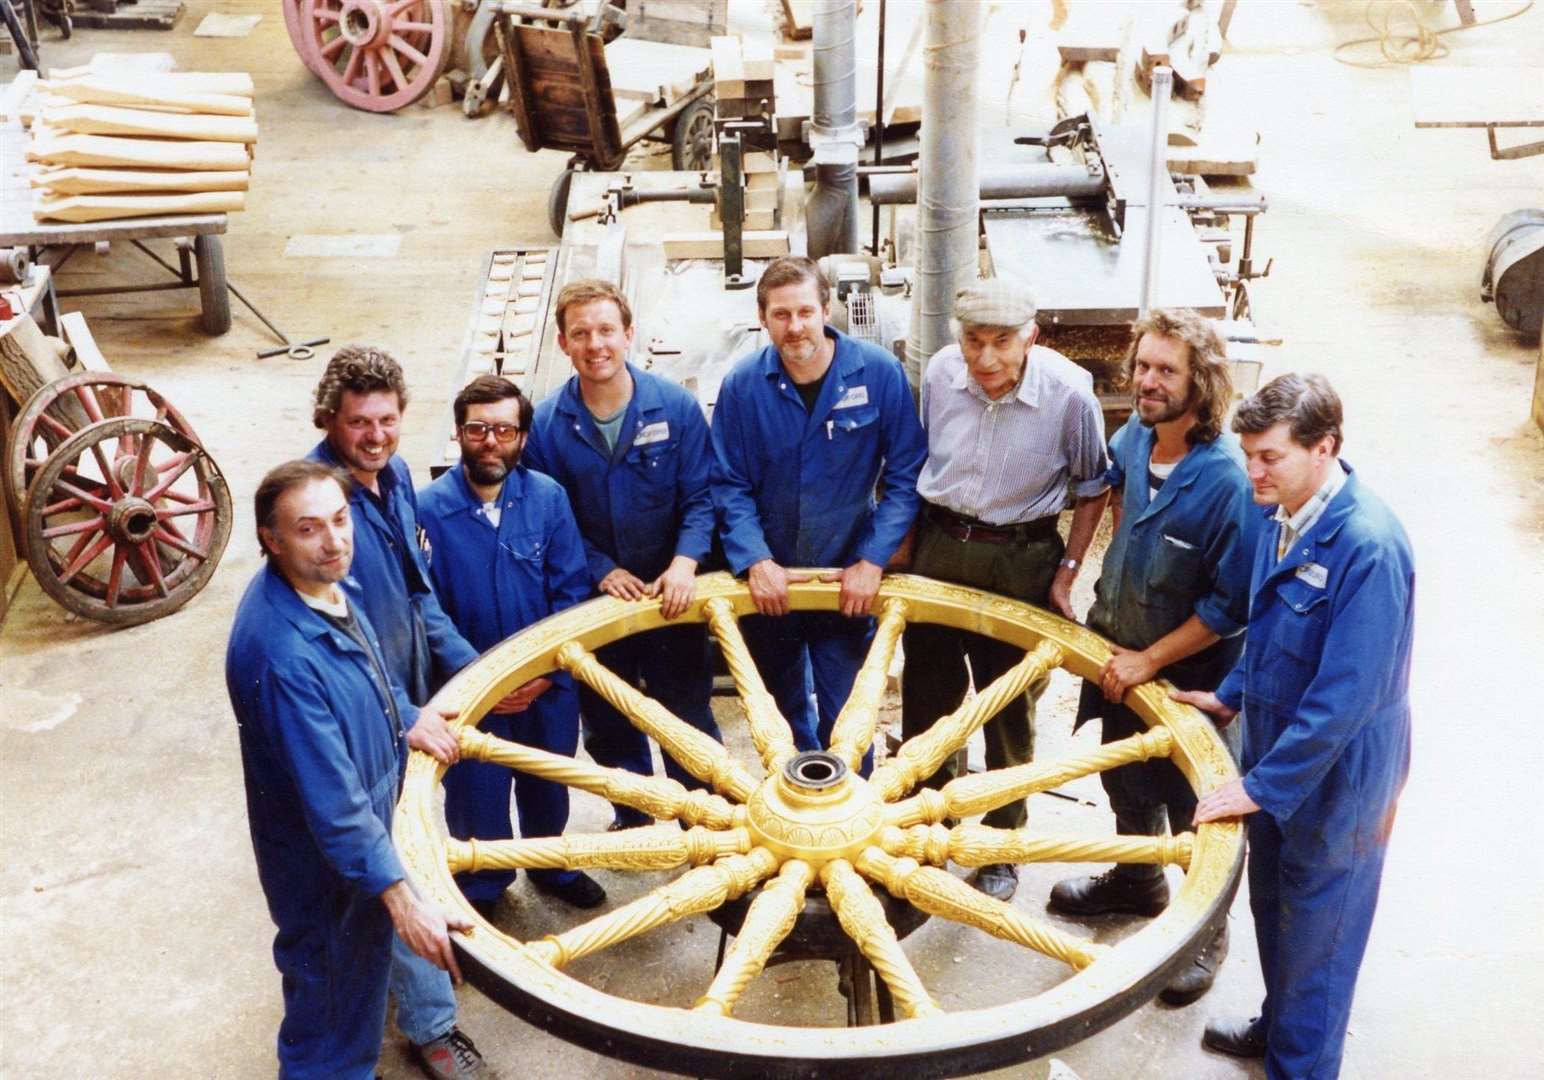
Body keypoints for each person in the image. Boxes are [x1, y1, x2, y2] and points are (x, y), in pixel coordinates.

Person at [1176, 374, 1414, 1078]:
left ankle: (1300, 1064)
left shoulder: (1368, 548)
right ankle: (1279, 1028)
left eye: (1270, 456)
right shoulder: (1279, 514)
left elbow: (1347, 697)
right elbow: (1268, 628)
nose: (1253, 470)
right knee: (1275, 906)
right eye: (1248, 452)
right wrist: (1229, 695)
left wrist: (1261, 785)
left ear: (1325, 448)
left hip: (1342, 782)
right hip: (1279, 759)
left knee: (1320, 939)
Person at [227, 460, 476, 1080]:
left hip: (365, 827)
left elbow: (368, 668)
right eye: (309, 529)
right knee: (333, 1009)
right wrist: (401, 897)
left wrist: (407, 714)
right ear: (272, 539)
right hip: (325, 863)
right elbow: (334, 805)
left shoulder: (326, 588)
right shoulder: (283, 654)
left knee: (356, 985)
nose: (334, 541)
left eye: (340, 520)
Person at [1046, 308, 1254, 1004]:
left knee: (1196, 804)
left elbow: (1229, 608)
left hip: (1193, 674)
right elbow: (1110, 492)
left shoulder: (1228, 479)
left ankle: (1205, 935)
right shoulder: (1135, 436)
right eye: (1142, 365)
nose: (1148, 381)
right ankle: (1139, 880)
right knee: (1126, 781)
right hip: (1121, 646)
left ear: (1203, 381)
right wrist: (1085, 571)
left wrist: (1150, 660)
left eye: (1167, 370)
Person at [303, 346, 487, 1079]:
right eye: (358, 423)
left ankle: (409, 974)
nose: (375, 436)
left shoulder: (398, 478)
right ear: (328, 422)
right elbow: (333, 636)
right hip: (362, 714)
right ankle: (433, 1026)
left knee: (409, 841)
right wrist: (404, 710)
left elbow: (418, 593)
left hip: (409, 692)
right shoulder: (318, 507)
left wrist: (474, 667)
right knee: (395, 860)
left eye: (386, 420)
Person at [898, 278, 1110, 901]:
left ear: (1031, 338)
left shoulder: (1070, 395)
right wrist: (908, 547)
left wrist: (1068, 572)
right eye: (972, 341)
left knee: (1009, 705)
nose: (985, 359)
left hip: (1021, 557)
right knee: (928, 698)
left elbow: (1094, 486)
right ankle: (926, 826)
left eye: (1001, 343)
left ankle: (1001, 842)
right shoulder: (939, 374)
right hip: (941, 546)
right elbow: (918, 460)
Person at [710, 256, 927, 769]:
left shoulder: (877, 374)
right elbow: (728, 484)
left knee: (848, 715)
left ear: (827, 310)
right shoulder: (743, 387)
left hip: (843, 578)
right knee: (780, 715)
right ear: (763, 318)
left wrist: (872, 560)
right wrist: (755, 561)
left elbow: (904, 477)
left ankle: (854, 814)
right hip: (769, 583)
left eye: (805, 311)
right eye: (781, 315)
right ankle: (798, 808)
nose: (795, 326)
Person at [524, 279, 722, 829]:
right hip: (598, 601)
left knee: (686, 714)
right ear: (563, 343)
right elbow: (549, 517)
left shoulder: (677, 409)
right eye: (581, 333)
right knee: (609, 718)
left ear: (629, 334)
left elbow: (702, 499)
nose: (596, 344)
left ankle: (703, 817)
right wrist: (600, 569)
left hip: (671, 598)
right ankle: (633, 816)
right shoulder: (546, 426)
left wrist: (685, 563)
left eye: (606, 330)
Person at [418, 375, 605, 911]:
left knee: (548, 778)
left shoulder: (548, 500)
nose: (491, 441)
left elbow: (571, 594)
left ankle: (552, 867)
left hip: (545, 684)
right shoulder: (426, 510)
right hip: (469, 692)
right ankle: (482, 885)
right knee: (478, 793)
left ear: (523, 437)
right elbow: (425, 609)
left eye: (505, 429)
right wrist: (481, 679)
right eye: (478, 429)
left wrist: (547, 672)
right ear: (458, 434)